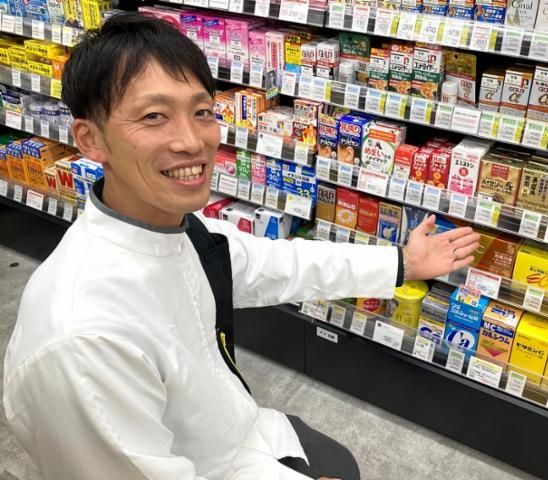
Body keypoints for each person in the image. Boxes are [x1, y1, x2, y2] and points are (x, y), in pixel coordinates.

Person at [3, 13, 480, 480]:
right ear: (90, 139)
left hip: (242, 436)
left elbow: (276, 263)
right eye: (154, 117)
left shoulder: (177, 230)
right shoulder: (82, 343)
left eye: (202, 112)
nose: (192, 141)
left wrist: (402, 262)